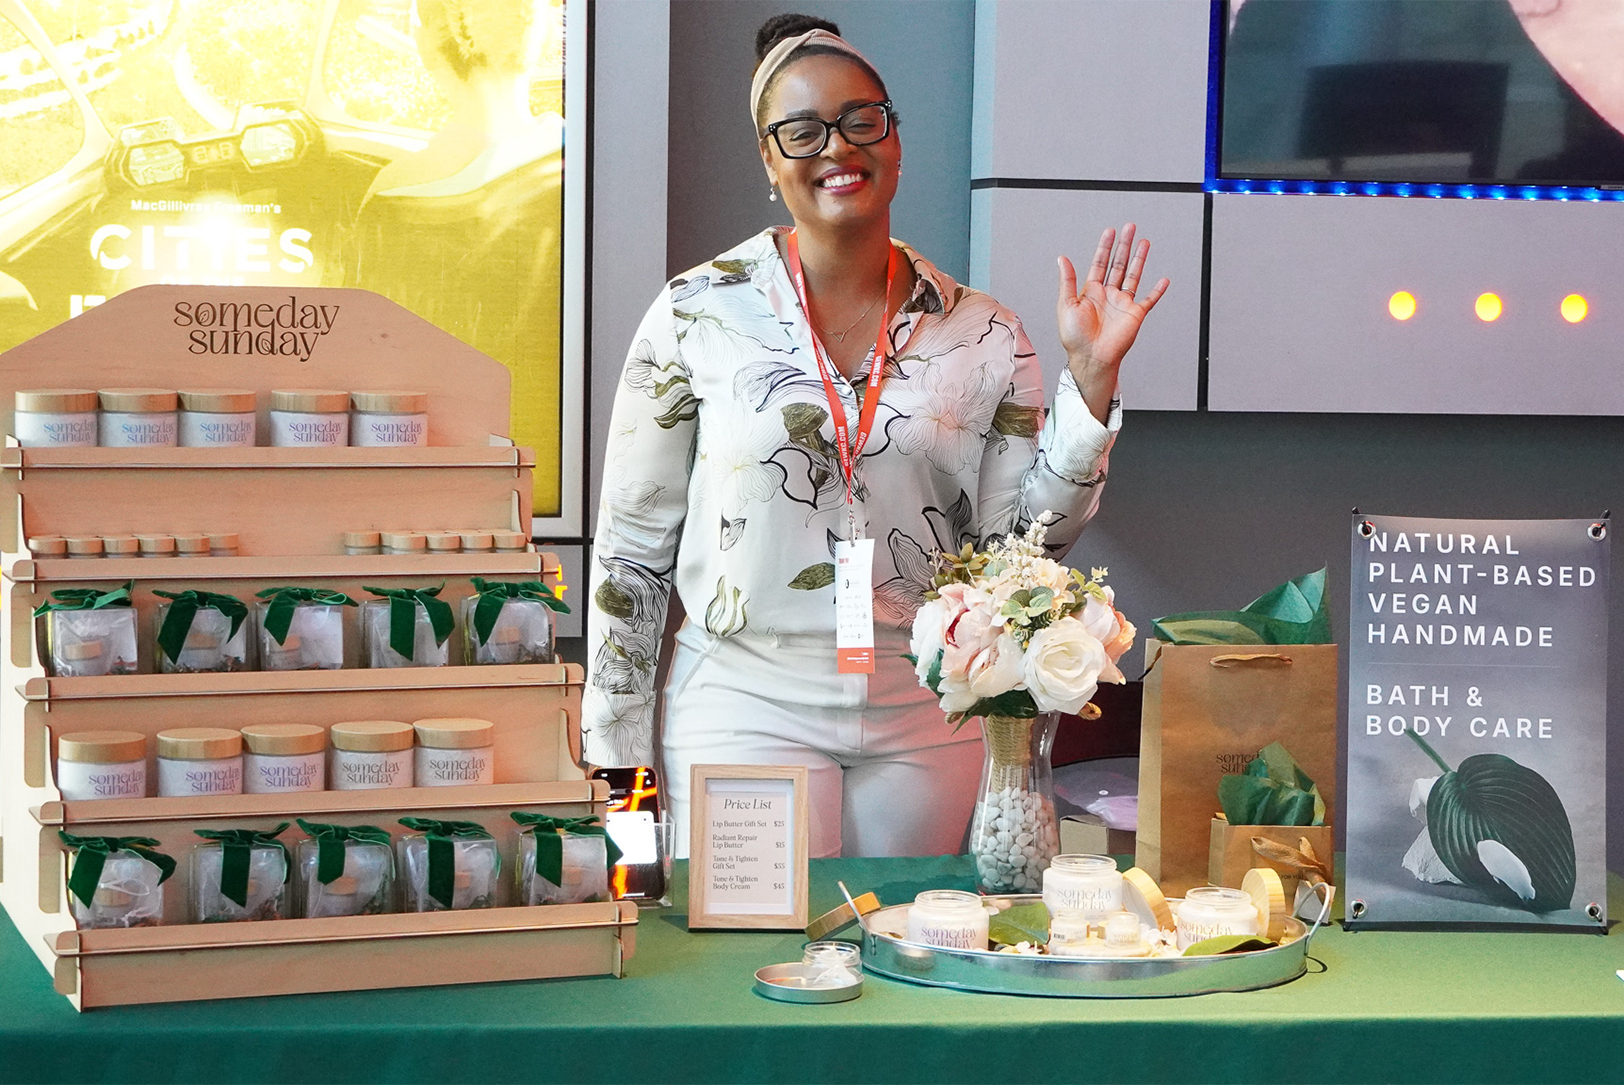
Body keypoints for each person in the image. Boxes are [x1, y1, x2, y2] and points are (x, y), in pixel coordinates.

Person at [584, 14, 1169, 858]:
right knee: (752, 962)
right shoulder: (695, 313)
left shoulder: (985, 333)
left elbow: (1023, 553)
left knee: (906, 956)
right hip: (746, 695)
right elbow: (629, 560)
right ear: (768, 158)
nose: (837, 147)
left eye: (862, 119)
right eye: (803, 130)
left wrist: (1092, 384)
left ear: (894, 140)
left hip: (924, 706)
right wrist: (617, 789)